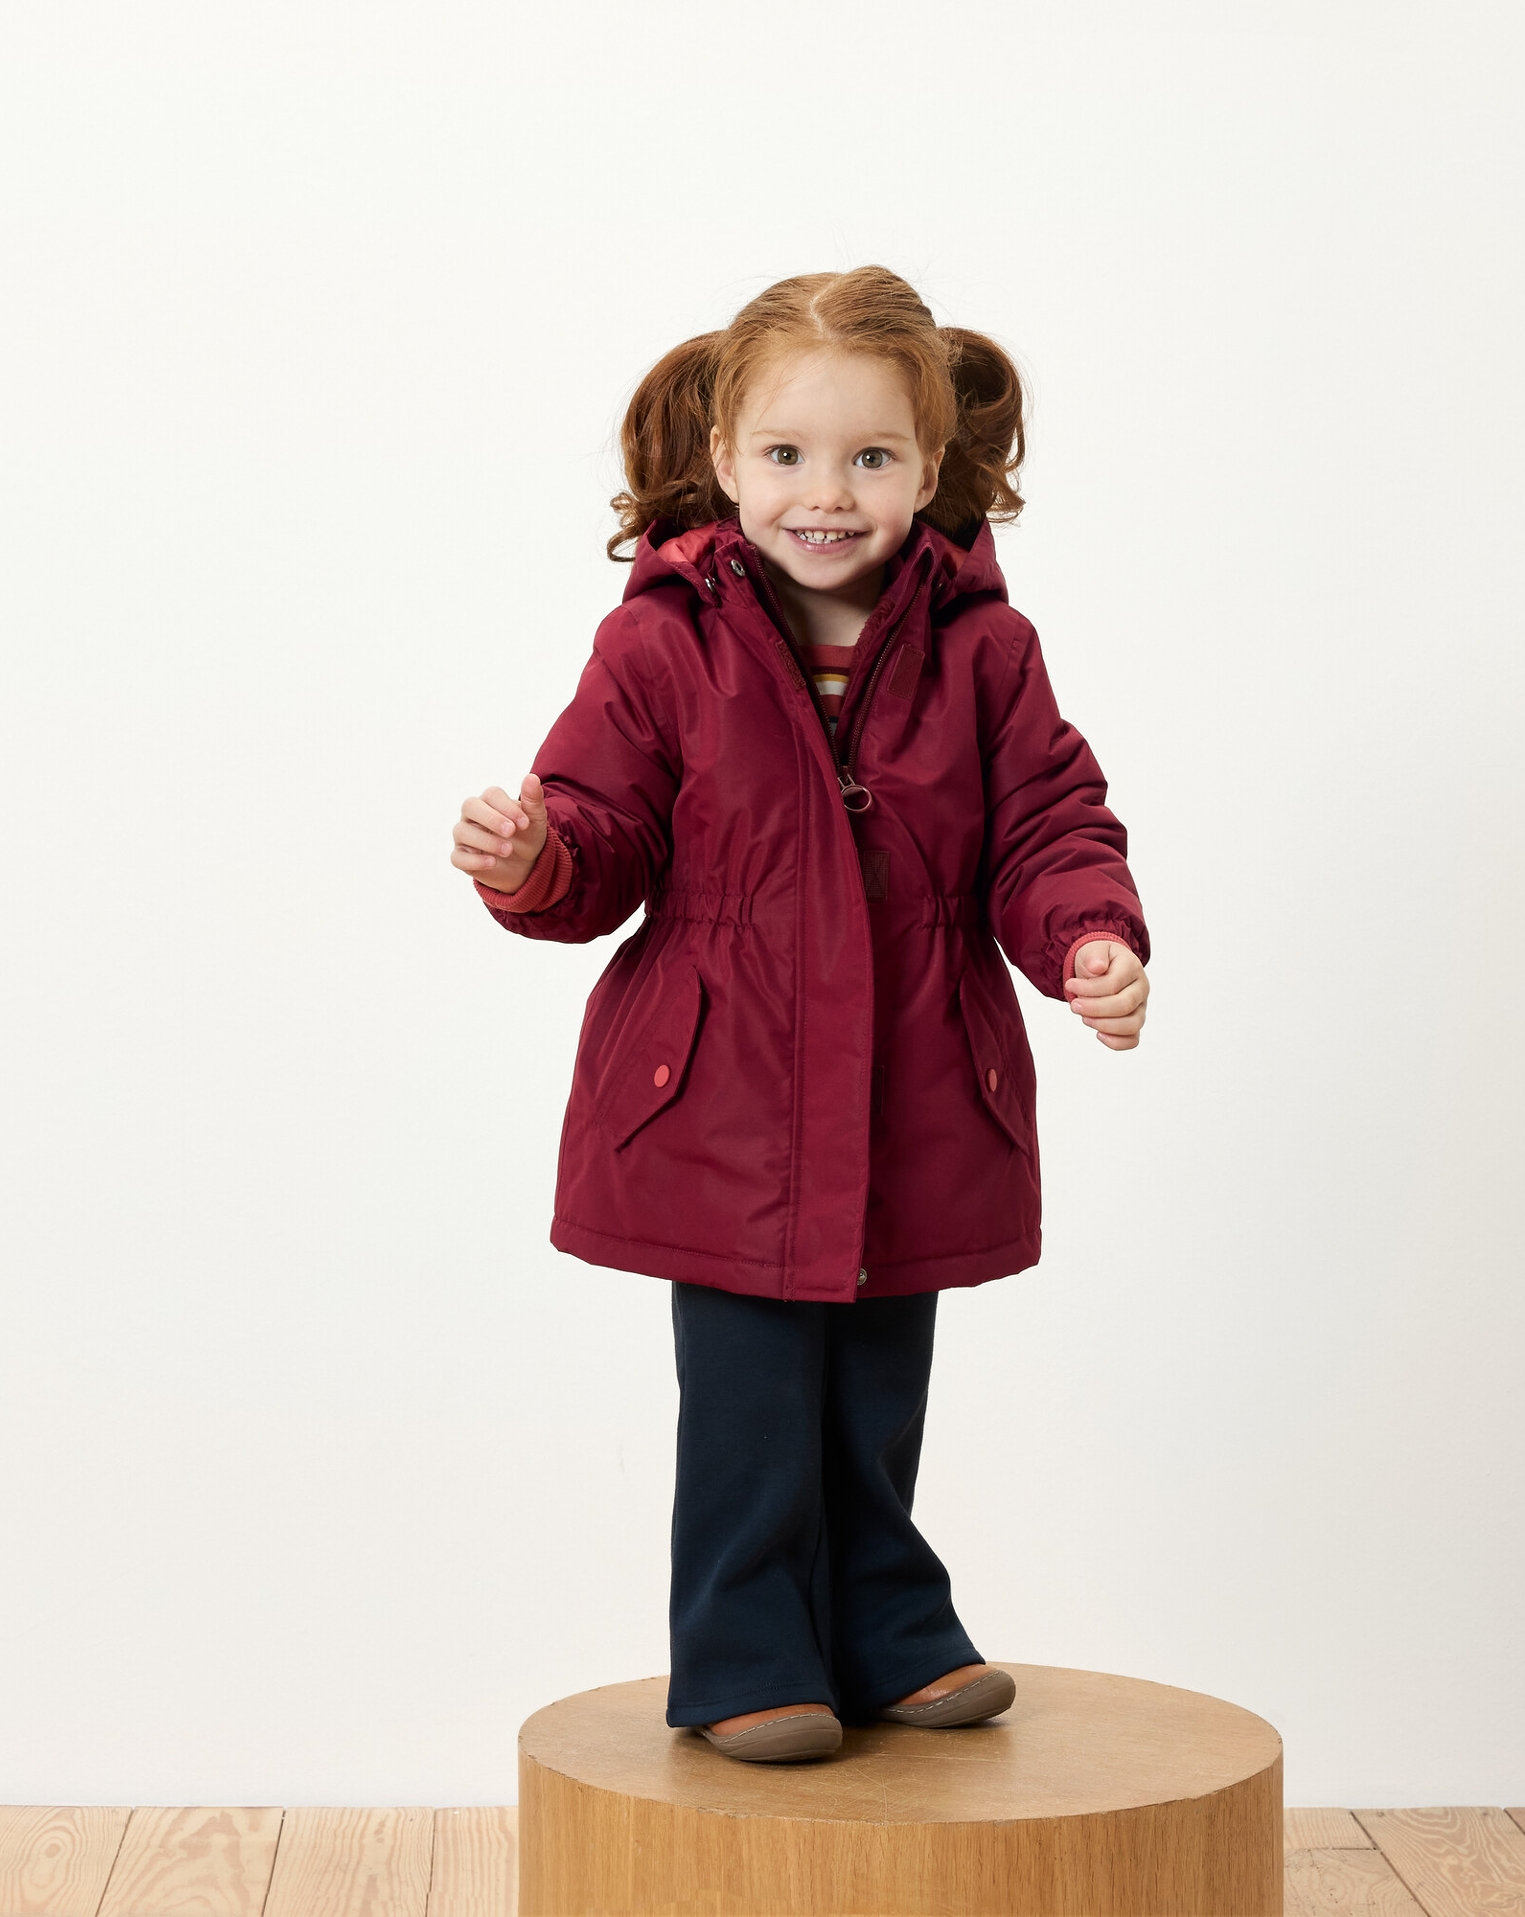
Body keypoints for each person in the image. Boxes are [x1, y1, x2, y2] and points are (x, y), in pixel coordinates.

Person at [450, 267, 1151, 1763]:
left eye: (870, 459)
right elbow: (604, 828)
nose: (824, 494)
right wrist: (539, 854)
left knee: (877, 1396)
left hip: (913, 1088)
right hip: (724, 1099)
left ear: (931, 468)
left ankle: (884, 1624)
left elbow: (1047, 822)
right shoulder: (660, 644)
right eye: (786, 456)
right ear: (721, 457)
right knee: (755, 1400)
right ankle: (740, 1646)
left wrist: (1085, 934)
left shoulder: (982, 651)